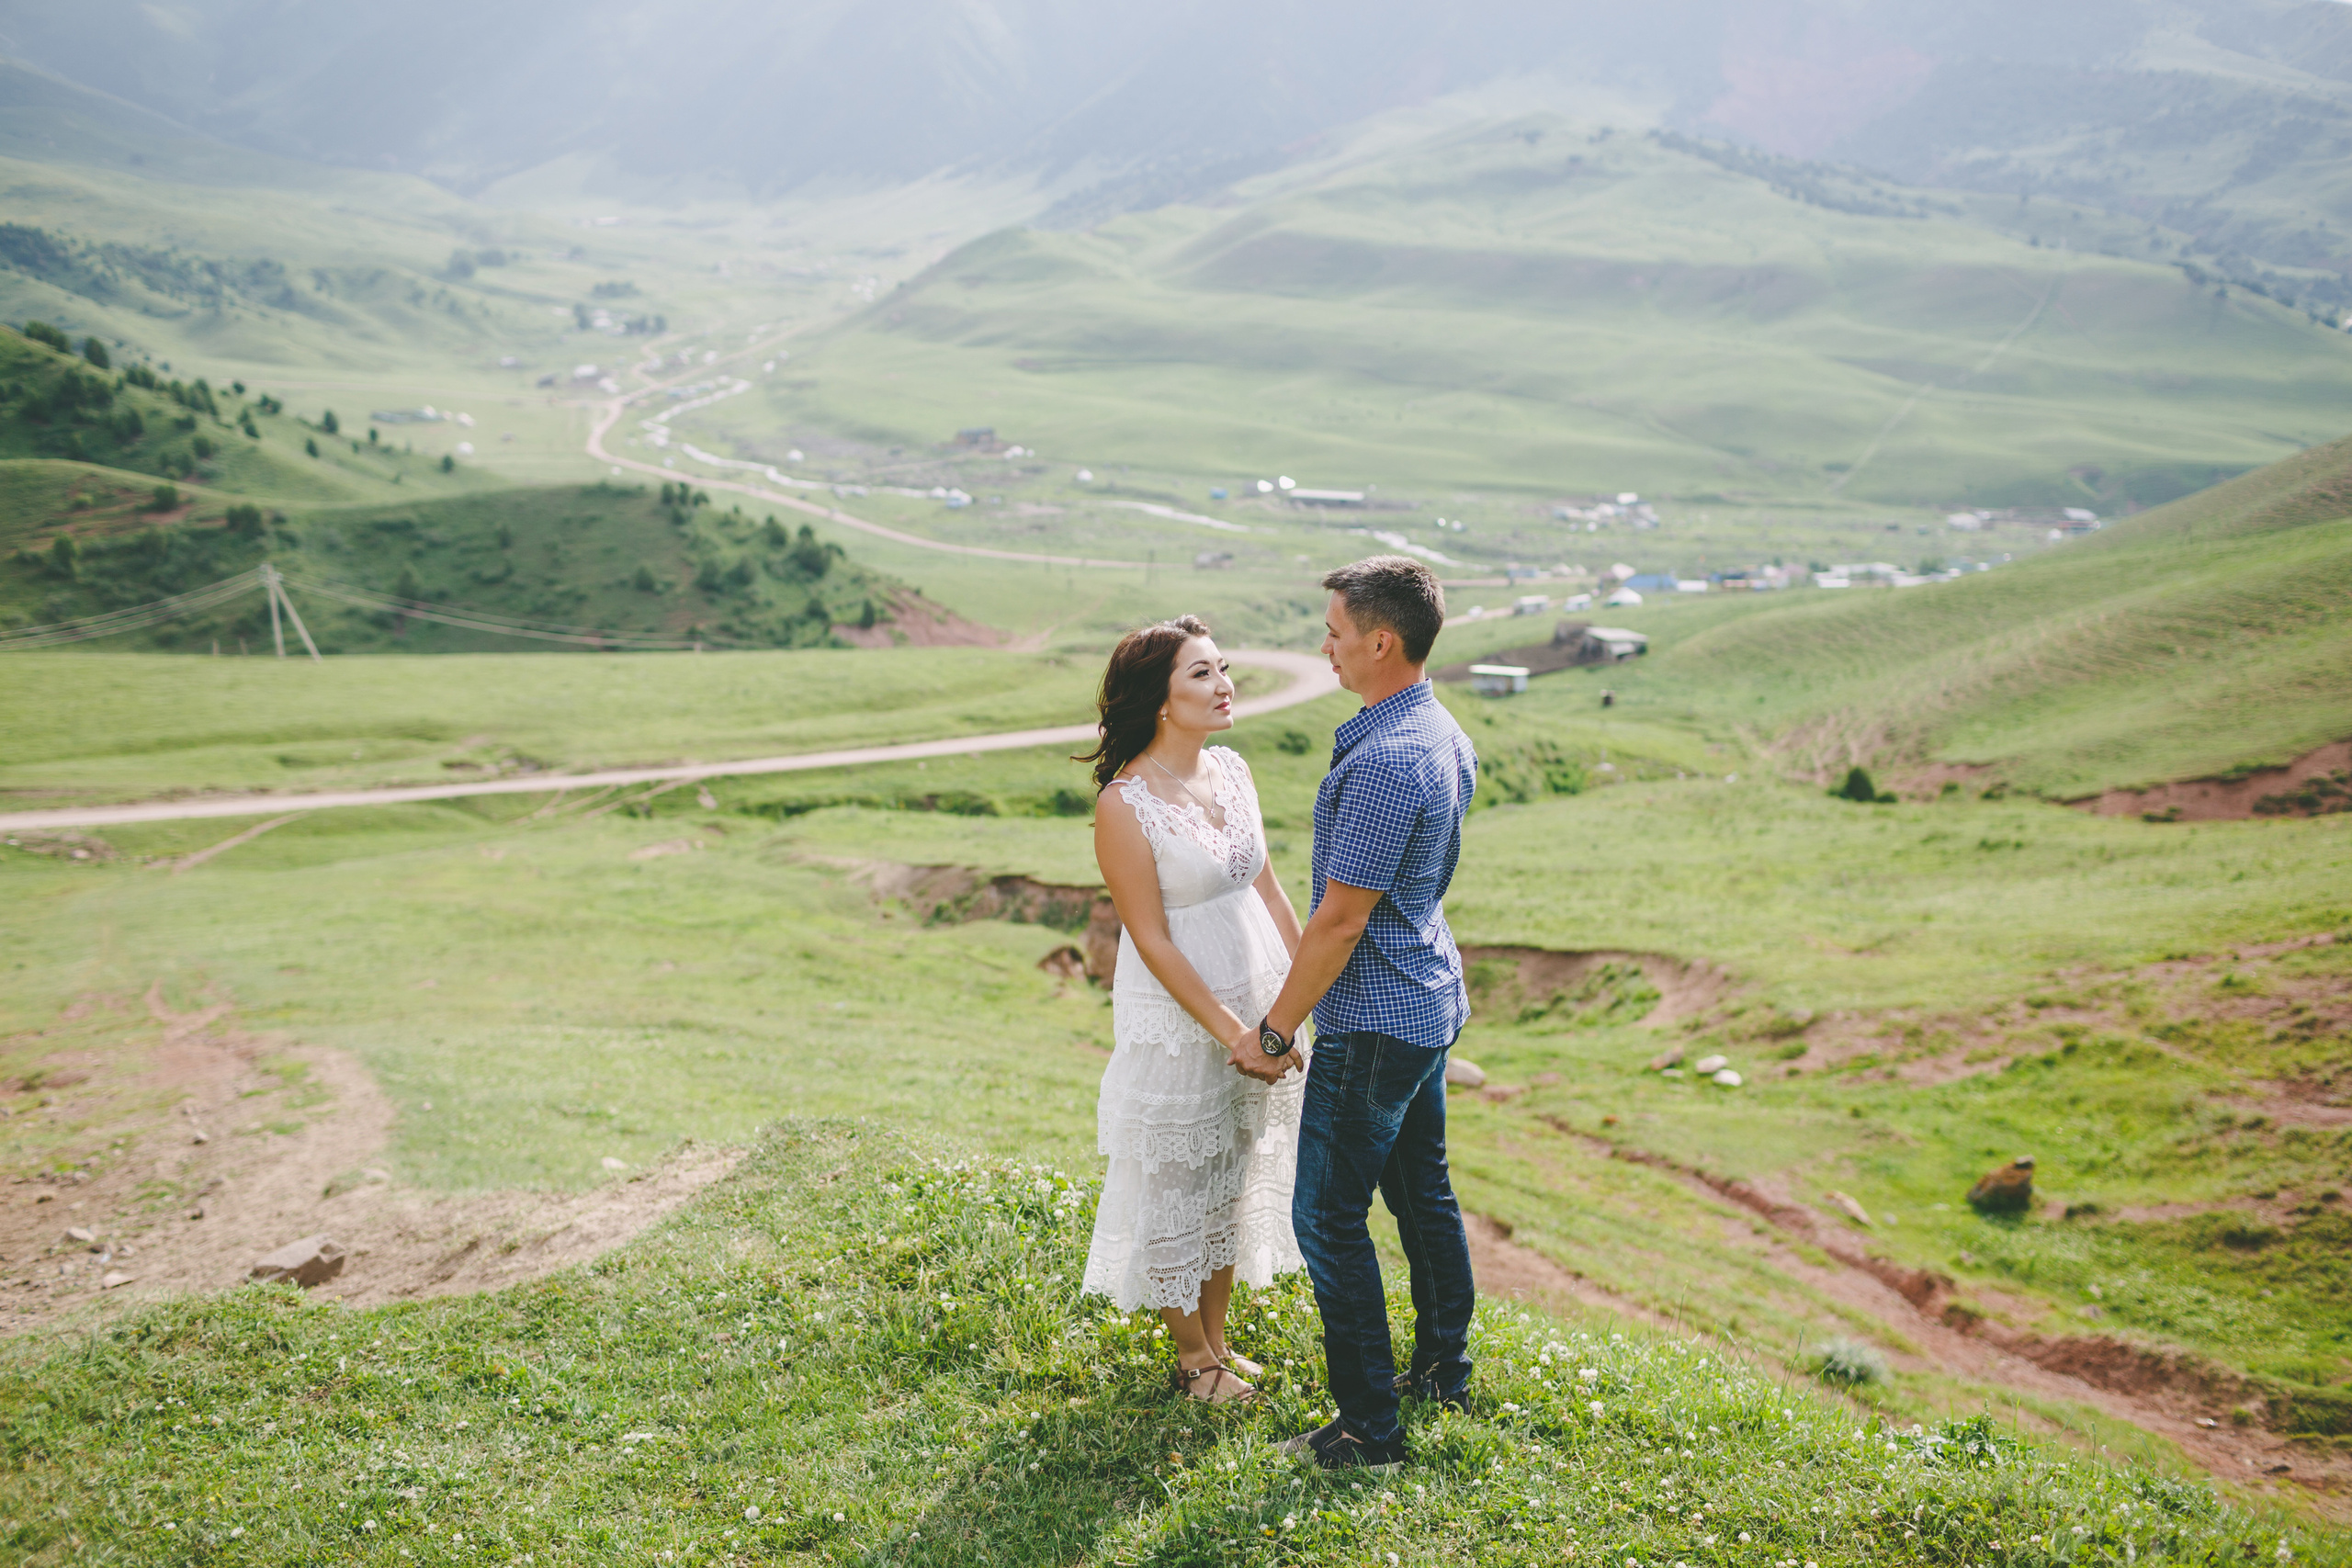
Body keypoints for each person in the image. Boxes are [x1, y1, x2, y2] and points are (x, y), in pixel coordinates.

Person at [1235, 555, 1478, 1472]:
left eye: (1334, 632)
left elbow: (1340, 921)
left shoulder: (1387, 760)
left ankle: (1371, 1430)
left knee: (1329, 1218)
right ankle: (1442, 1375)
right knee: (1425, 1193)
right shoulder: (1434, 727)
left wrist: (1273, 1030)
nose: (1323, 646)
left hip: (1375, 1019)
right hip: (1427, 1001)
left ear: (1382, 641)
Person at [1078, 615, 1309, 1404]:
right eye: (1201, 674)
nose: (1224, 685)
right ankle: (1191, 1360)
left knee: (1234, 1172)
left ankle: (1218, 1340)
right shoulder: (1125, 803)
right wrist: (1234, 1033)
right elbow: (1151, 938)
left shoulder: (1235, 770)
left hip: (1260, 999)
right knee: (1178, 1177)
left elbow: (1271, 891)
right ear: (1159, 699)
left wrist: (1302, 998)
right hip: (1184, 1016)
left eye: (1222, 668)